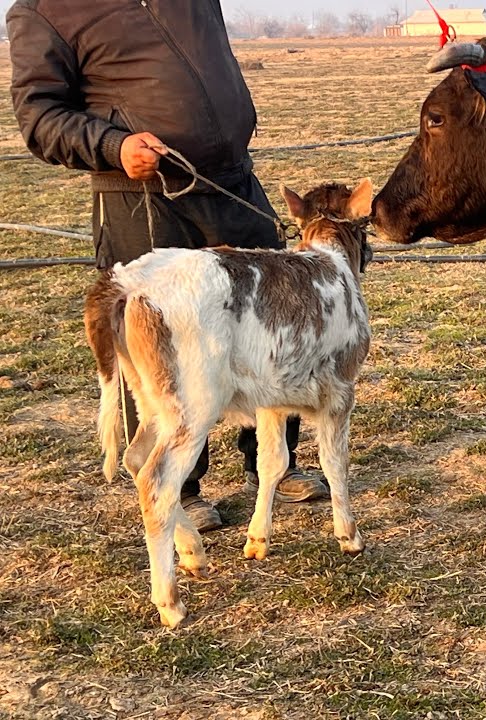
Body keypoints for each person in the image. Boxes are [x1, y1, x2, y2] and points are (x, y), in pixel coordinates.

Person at [8, 0, 330, 531]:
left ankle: (275, 462)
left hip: (232, 183)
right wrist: (114, 145)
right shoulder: (42, 11)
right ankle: (181, 484)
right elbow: (39, 115)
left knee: (269, 327)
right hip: (142, 198)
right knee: (161, 344)